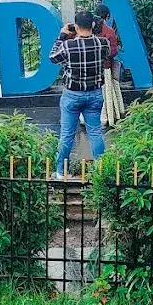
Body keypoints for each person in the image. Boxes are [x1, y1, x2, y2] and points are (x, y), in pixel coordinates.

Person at [48, 11, 110, 179]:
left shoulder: (68, 46)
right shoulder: (103, 43)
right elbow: (107, 55)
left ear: (75, 27)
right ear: (92, 25)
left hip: (72, 95)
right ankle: (100, 171)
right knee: (95, 133)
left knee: (66, 135)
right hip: (95, 94)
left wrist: (62, 36)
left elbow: (52, 57)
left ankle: (61, 172)